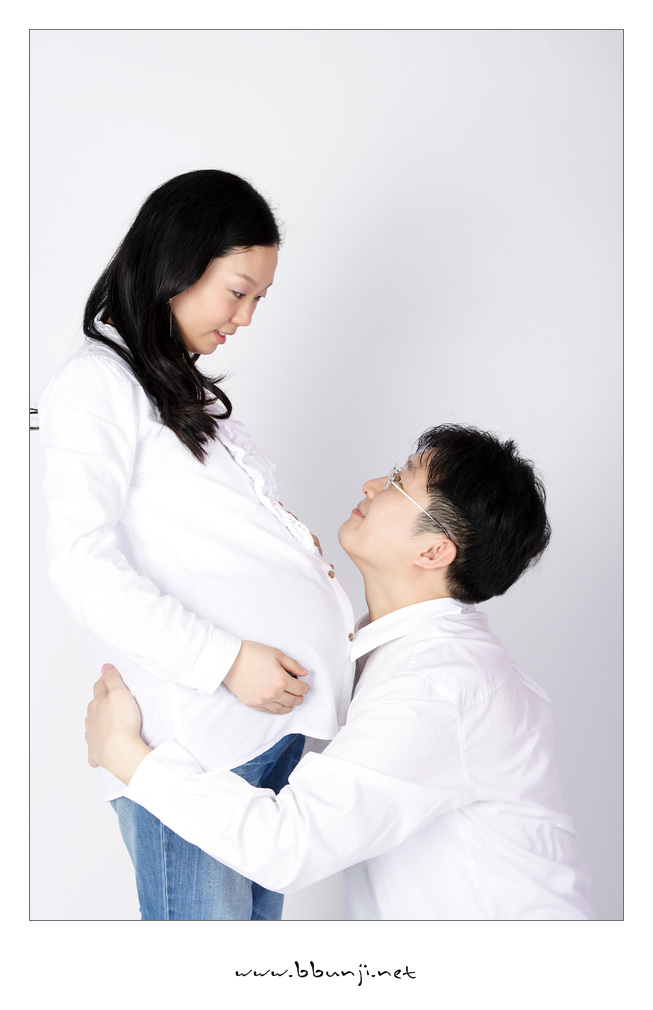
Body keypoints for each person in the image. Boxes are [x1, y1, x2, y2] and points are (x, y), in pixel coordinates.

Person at [85, 424, 595, 920]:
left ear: (434, 551)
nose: (372, 485)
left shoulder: (440, 686)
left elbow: (287, 846)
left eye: (398, 481)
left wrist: (130, 758)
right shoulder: (395, 651)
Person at [39, 170, 355, 921]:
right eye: (237, 292)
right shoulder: (97, 384)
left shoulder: (179, 390)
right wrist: (224, 661)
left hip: (262, 742)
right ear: (176, 266)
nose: (245, 318)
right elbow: (80, 562)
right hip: (197, 751)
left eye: (259, 300)